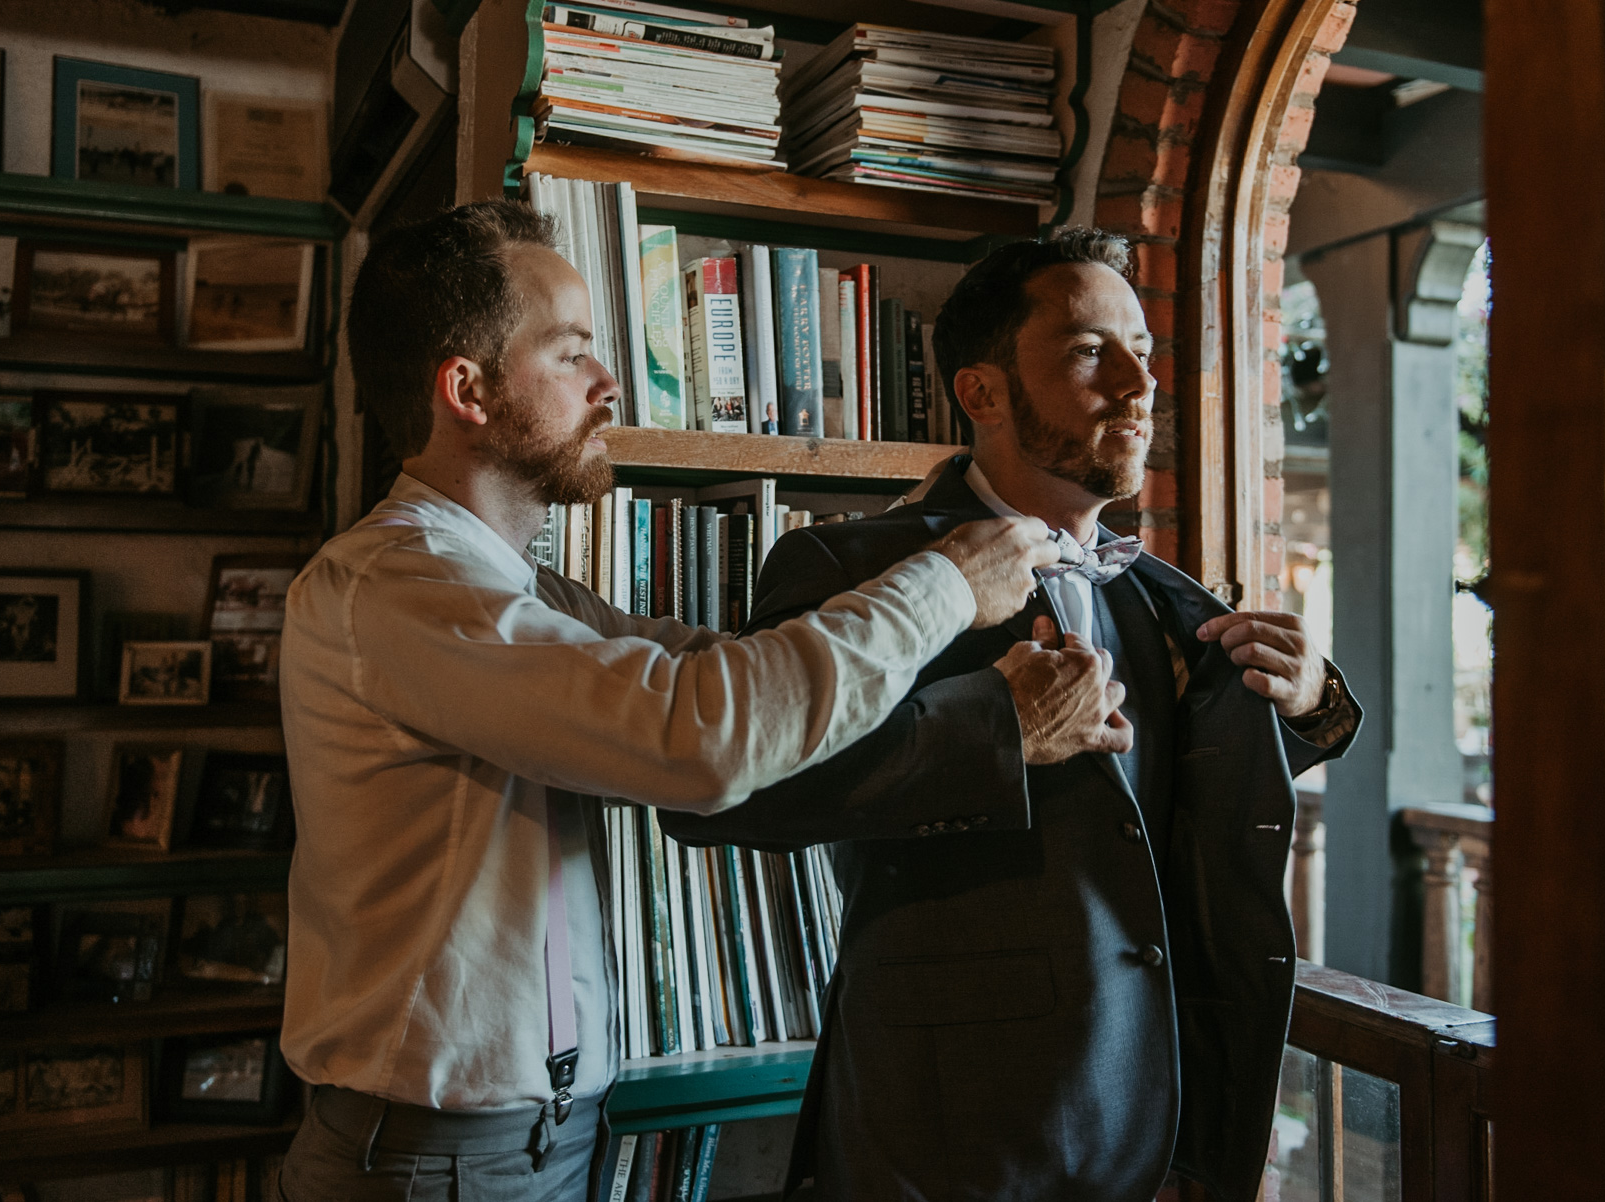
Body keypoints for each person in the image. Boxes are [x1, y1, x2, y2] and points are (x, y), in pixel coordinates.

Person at [273, 200, 1099, 1201]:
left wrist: (920, 587)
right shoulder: (401, 591)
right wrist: (947, 582)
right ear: (468, 390)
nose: (609, 384)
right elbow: (701, 734)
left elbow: (732, 669)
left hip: (523, 1142)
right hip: (430, 1162)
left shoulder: (521, 594)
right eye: (573, 353)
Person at [661, 227, 1361, 1202]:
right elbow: (728, 796)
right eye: (1088, 351)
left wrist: (1307, 699)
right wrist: (998, 725)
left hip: (1163, 1127)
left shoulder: (1167, 596)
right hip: (947, 1135)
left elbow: (1156, 805)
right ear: (981, 392)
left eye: (1142, 353)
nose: (1136, 382)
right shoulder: (846, 569)